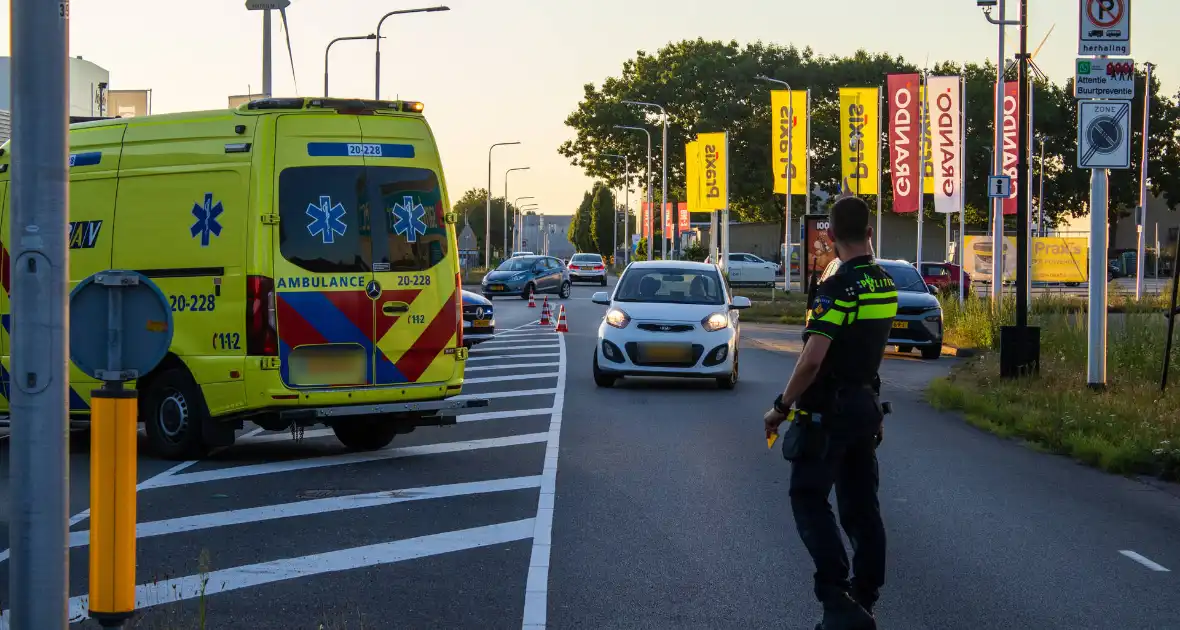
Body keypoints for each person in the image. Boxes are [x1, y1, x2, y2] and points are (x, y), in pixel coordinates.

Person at [763, 195, 897, 630]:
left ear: (833, 236)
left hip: (828, 411)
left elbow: (812, 358)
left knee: (807, 495)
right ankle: (863, 599)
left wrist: (781, 407)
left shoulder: (838, 288)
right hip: (865, 408)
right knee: (861, 508)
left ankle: (836, 596)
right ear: (871, 234)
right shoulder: (885, 284)